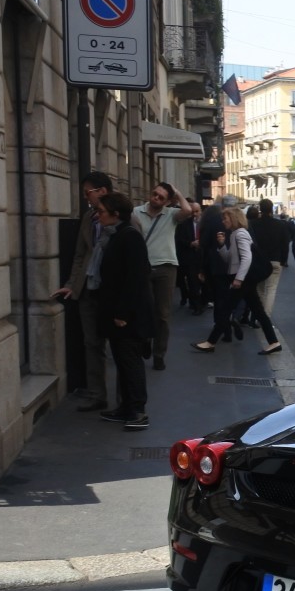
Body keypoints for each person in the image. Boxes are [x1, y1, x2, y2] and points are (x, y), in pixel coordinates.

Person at [92, 192, 155, 430]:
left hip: (129, 316)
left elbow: (136, 278)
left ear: (115, 214)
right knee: (122, 360)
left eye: (101, 212)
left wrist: (123, 313)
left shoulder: (130, 237)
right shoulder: (117, 235)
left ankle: (138, 411)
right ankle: (126, 408)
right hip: (118, 313)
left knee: (131, 363)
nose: (98, 216)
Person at [54, 171, 114, 413]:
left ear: (102, 191)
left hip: (112, 289)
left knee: (120, 345)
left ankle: (129, 402)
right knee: (92, 343)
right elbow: (80, 254)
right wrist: (71, 283)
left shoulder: (124, 215)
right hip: (88, 288)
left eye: (88, 192)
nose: (86, 197)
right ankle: (97, 393)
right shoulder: (89, 218)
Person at [131, 182, 193, 371]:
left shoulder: (171, 215)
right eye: (154, 194)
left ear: (167, 201)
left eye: (160, 197)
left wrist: (178, 193)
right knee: (143, 309)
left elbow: (188, 210)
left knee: (163, 314)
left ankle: (159, 354)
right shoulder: (136, 212)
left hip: (166, 268)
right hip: (144, 268)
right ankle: (145, 340)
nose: (155, 198)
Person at [191, 204, 246, 351]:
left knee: (220, 300)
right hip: (233, 268)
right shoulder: (238, 229)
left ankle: (222, 329)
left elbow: (204, 245)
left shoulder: (212, 222)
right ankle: (227, 325)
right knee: (230, 301)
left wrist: (202, 268)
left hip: (217, 268)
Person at [250, 198, 290, 318]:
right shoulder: (280, 225)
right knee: (271, 289)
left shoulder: (253, 224)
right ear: (271, 209)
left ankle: (259, 316)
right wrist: (283, 260)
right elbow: (285, 244)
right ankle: (265, 318)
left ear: (260, 209)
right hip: (275, 260)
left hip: (258, 261)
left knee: (259, 289)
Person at [174, 202, 205, 314]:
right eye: (193, 212)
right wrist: (191, 243)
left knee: (202, 282)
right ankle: (197, 306)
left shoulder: (205, 224)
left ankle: (202, 301)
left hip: (203, 257)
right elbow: (179, 240)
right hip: (190, 257)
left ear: (200, 211)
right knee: (193, 282)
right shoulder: (184, 224)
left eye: (197, 211)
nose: (195, 214)